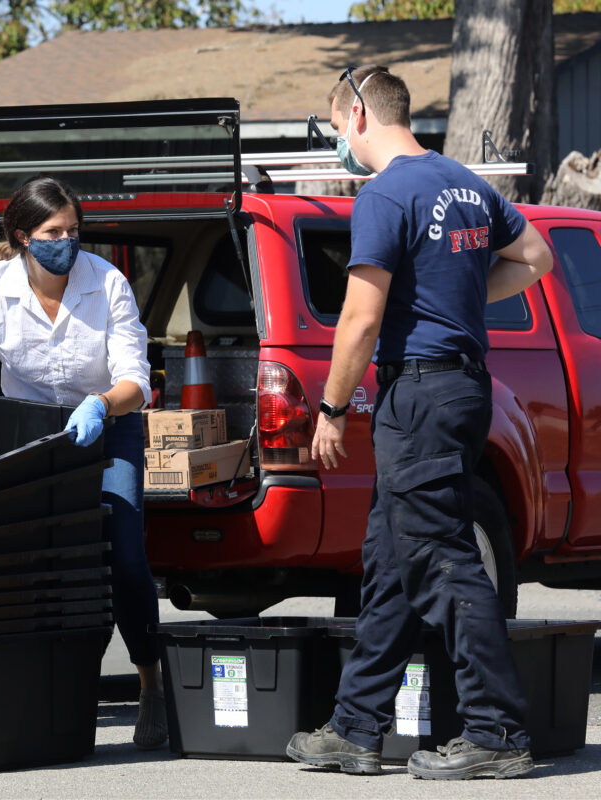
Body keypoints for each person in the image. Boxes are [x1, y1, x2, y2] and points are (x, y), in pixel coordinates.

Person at [285, 65, 554, 780]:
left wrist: (333, 409)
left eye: (338, 125)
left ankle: (495, 733)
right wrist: (462, 299)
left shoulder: (385, 195)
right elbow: (536, 257)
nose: (341, 140)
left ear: (356, 119)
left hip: (421, 396)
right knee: (390, 560)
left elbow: (361, 317)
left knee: (439, 558)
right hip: (463, 388)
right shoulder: (464, 182)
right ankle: (355, 726)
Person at [0, 175, 167, 750]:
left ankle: (151, 683)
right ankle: (54, 685)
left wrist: (100, 403)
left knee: (122, 554)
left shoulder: (107, 283)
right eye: (52, 232)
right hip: (32, 434)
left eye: (73, 230)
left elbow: (135, 381)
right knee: (38, 561)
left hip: (106, 426)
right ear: (21, 236)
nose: (65, 241)